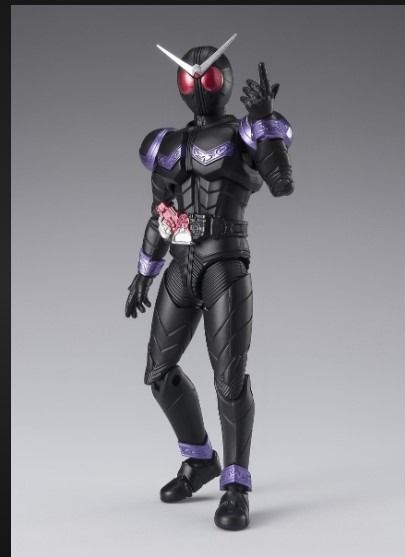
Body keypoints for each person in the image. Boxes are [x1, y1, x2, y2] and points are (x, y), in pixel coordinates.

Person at [125, 34, 294, 530]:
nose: (199, 81)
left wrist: (264, 121)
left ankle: (236, 486)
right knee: (159, 373)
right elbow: (161, 213)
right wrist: (143, 272)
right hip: (181, 264)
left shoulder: (244, 133)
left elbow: (281, 184)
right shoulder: (167, 145)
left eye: (209, 74)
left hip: (224, 262)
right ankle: (200, 459)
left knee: (229, 378)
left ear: (224, 81)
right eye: (189, 76)